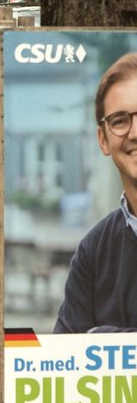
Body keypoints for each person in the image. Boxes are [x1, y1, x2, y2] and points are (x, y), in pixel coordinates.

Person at [54, 53, 137, 333]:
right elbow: (62, 351)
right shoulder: (94, 250)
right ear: (103, 139)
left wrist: (102, 336)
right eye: (120, 120)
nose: (135, 133)